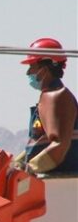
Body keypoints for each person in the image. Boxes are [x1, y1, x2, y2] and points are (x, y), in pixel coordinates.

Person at [14, 37, 78, 174]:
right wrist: (17, 163)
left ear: (45, 68)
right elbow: (38, 142)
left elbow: (60, 145)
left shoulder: (57, 97)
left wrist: (29, 169)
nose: (28, 72)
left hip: (58, 186)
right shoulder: (49, 96)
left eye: (32, 66)